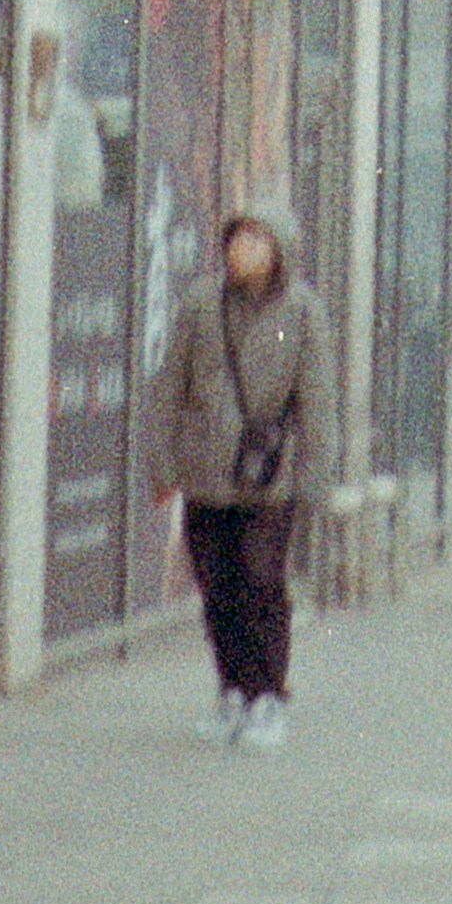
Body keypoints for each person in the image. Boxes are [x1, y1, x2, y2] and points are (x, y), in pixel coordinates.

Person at [144, 208, 321, 747]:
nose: (241, 249)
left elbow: (315, 402)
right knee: (217, 587)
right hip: (206, 472)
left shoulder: (302, 312)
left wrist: (312, 478)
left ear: (278, 249)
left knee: (262, 584)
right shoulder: (201, 305)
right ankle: (232, 691)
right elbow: (169, 387)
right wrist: (163, 464)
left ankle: (267, 695)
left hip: (270, 475)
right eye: (237, 238)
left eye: (255, 239)